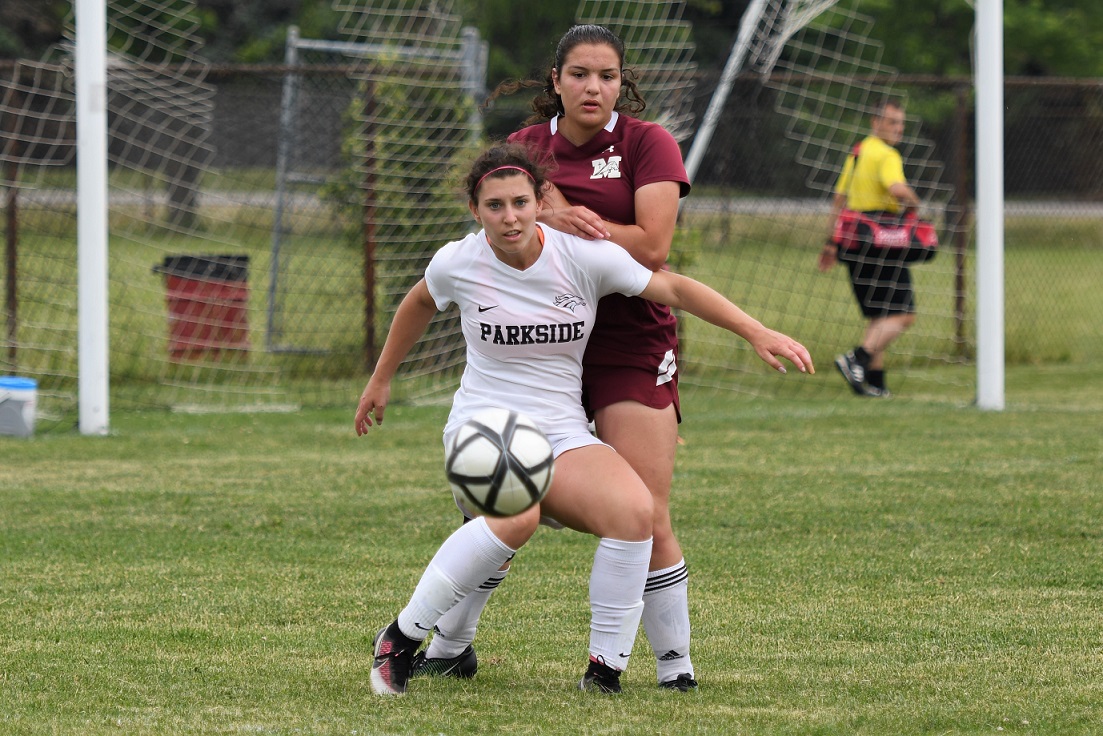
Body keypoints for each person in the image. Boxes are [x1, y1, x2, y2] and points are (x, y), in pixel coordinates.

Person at [356, 142, 813, 696]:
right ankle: (400, 639)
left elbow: (671, 286)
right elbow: (420, 303)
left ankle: (604, 673)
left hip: (562, 430)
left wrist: (755, 331)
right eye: (495, 206)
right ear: (475, 211)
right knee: (517, 518)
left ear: (538, 200)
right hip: (482, 425)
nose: (510, 217)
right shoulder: (459, 261)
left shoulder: (580, 255)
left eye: (521, 202)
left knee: (636, 512)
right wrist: (381, 379)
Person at [415, 23, 704, 693]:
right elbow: (499, 237)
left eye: (605, 75)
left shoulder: (646, 142)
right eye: (578, 73)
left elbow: (653, 249)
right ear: (556, 80)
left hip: (626, 346)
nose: (592, 86)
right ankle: (450, 643)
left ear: (621, 81)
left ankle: (673, 669)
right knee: (495, 503)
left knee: (643, 511)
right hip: (537, 350)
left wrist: (569, 216)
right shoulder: (524, 150)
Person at [819, 98, 923, 398]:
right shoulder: (887, 154)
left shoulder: (858, 152)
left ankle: (875, 383)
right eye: (892, 122)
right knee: (904, 314)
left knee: (880, 314)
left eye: (901, 123)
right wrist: (917, 204)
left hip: (853, 241)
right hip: (882, 240)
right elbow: (897, 189)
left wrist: (830, 242)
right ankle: (857, 358)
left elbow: (839, 199)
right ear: (874, 123)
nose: (898, 129)